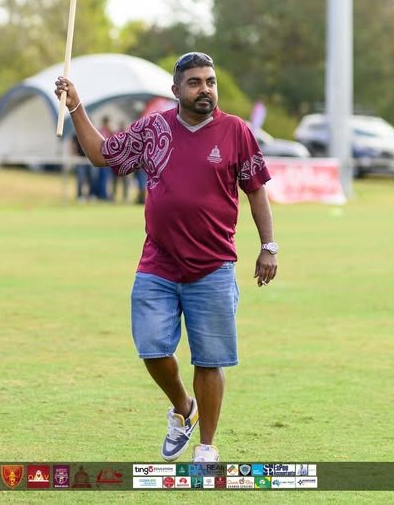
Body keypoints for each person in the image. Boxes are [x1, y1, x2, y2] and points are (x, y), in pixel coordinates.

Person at [54, 52, 277, 463]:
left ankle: (206, 446)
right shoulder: (153, 128)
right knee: (152, 349)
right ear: (176, 91)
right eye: (194, 82)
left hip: (212, 267)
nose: (204, 89)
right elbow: (103, 155)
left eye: (210, 81)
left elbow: (256, 189)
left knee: (209, 360)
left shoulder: (235, 131)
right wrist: (77, 108)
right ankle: (183, 406)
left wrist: (268, 245)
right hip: (158, 264)